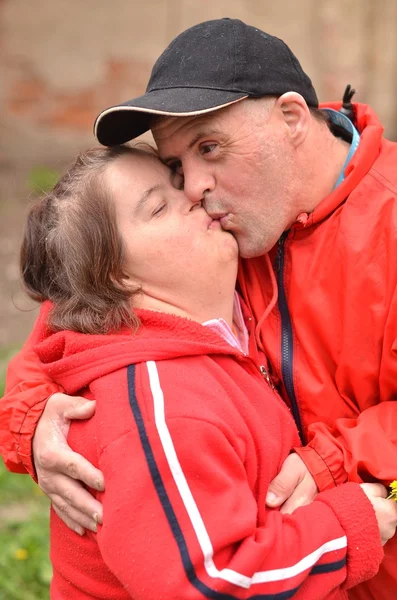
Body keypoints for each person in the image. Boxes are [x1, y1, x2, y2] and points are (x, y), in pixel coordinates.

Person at [1, 17, 397, 600]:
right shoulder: (211, 234)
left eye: (211, 147)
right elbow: (75, 320)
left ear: (290, 118)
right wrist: (32, 424)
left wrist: (335, 462)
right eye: (178, 166)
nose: (193, 188)